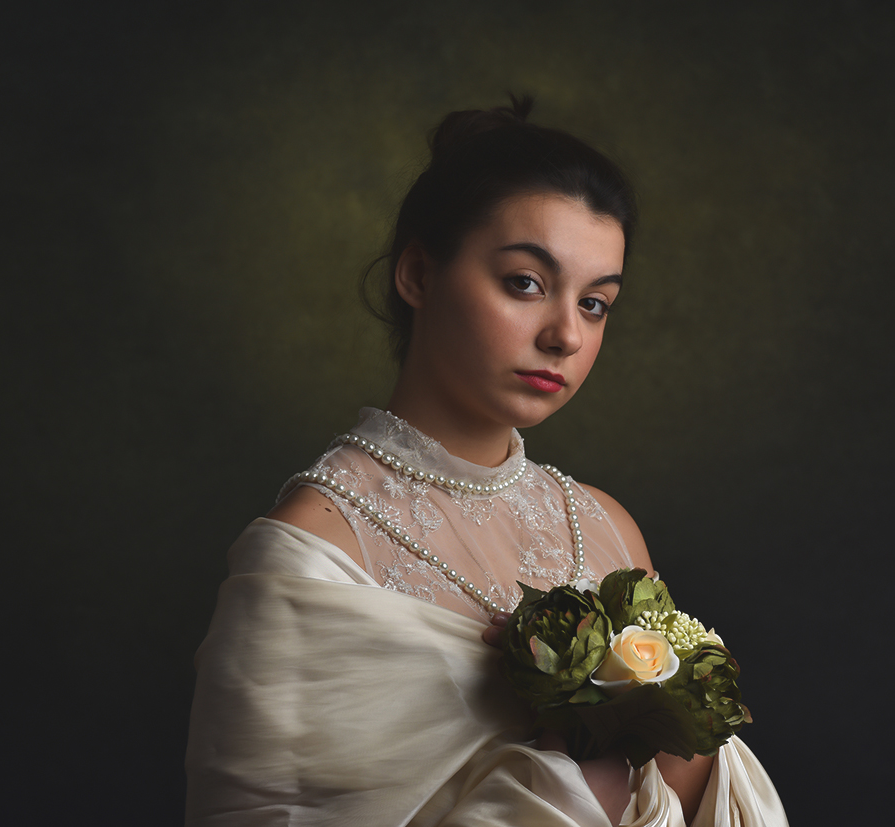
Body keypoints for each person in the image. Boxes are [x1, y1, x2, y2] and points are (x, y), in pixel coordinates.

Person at [185, 97, 789, 827]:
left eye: (596, 303)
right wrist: (579, 767)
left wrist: (665, 731)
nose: (565, 333)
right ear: (417, 273)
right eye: (525, 283)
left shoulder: (606, 529)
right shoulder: (313, 549)